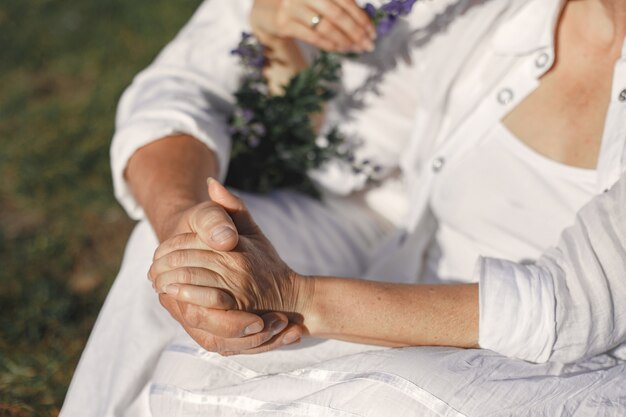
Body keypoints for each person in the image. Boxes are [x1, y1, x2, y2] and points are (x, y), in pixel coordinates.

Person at [61, 0, 626, 415]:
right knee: (187, 266)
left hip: (565, 350)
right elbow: (344, 148)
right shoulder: (521, 23)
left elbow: (570, 308)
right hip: (393, 240)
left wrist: (297, 296)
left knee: (381, 394)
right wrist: (271, 41)